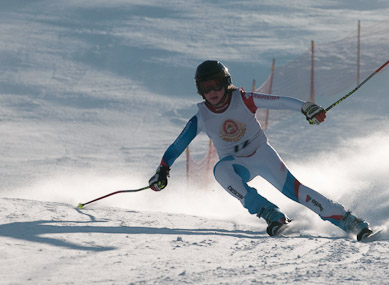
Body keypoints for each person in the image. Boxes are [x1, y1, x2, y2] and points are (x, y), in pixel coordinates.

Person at [149, 60, 373, 240]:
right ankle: (270, 213)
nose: (213, 91)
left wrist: (305, 107)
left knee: (297, 192)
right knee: (220, 171)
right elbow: (178, 145)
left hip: (262, 155)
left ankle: (349, 221)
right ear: (200, 91)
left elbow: (278, 101)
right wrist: (163, 169)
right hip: (235, 163)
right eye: (206, 88)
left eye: (217, 84)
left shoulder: (243, 99)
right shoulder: (202, 117)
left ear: (226, 82)